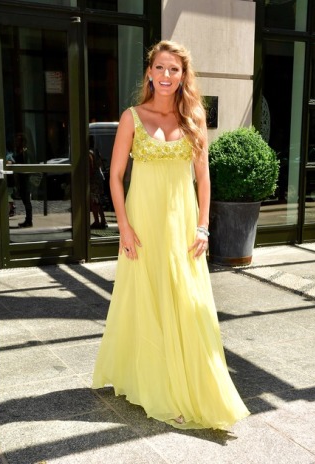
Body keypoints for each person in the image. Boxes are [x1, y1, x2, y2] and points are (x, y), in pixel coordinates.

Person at [91, 40, 250, 430]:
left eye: (174, 69)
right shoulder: (132, 117)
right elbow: (115, 177)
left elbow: (203, 179)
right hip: (143, 225)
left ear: (183, 75)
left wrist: (203, 226)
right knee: (148, 299)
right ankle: (157, 386)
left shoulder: (193, 116)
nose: (166, 75)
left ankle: (192, 384)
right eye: (160, 68)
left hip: (183, 227)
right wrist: (124, 227)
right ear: (150, 72)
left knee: (186, 301)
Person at [13, 132, 33, 228]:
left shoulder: (25, 152)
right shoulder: (20, 151)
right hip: (21, 178)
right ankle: (28, 220)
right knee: (25, 200)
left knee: (27, 201)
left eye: (18, 140)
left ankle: (29, 221)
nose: (16, 142)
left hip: (25, 179)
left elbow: (25, 164)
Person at [89, 148, 108, 229]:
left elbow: (90, 168)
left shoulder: (89, 154)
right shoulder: (95, 152)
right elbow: (99, 164)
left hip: (94, 179)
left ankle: (97, 221)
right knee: (98, 201)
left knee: (94, 201)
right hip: (98, 177)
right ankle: (103, 220)